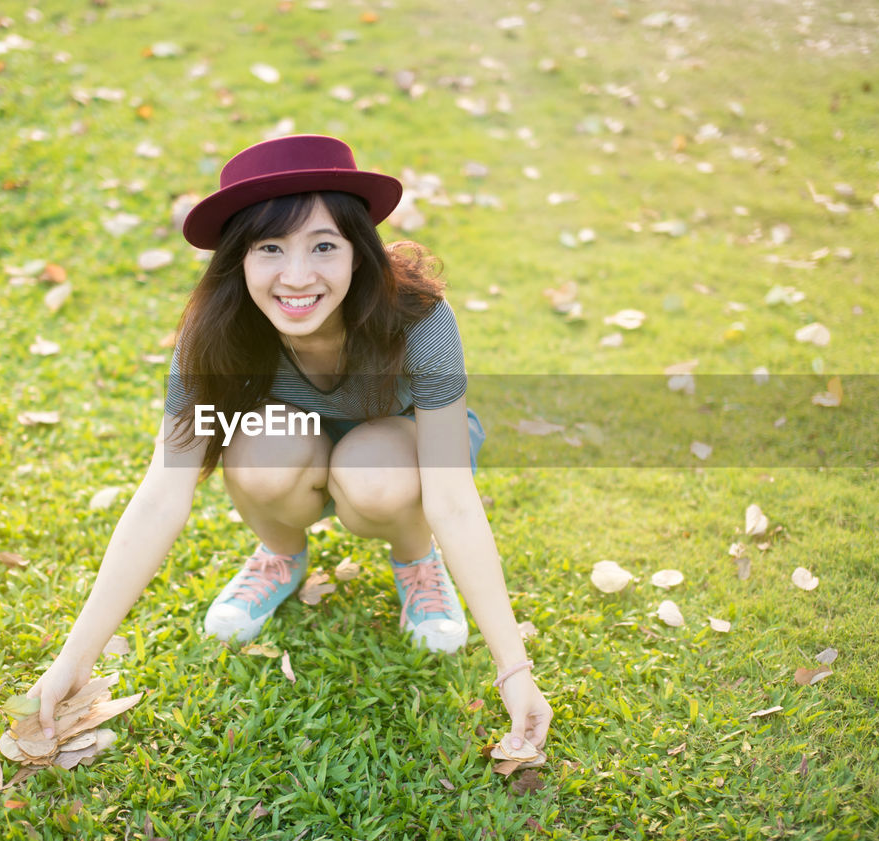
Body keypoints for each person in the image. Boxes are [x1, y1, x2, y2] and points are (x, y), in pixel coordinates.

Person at [27, 134, 551, 754]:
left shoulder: (418, 317)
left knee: (376, 471)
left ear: (359, 251)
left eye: (323, 247)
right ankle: (280, 555)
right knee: (256, 448)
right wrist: (74, 659)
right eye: (269, 248)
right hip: (288, 443)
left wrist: (514, 671)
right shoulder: (214, 331)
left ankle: (416, 560)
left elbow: (453, 499)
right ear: (237, 260)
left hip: (395, 451)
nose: (296, 277)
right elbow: (160, 496)